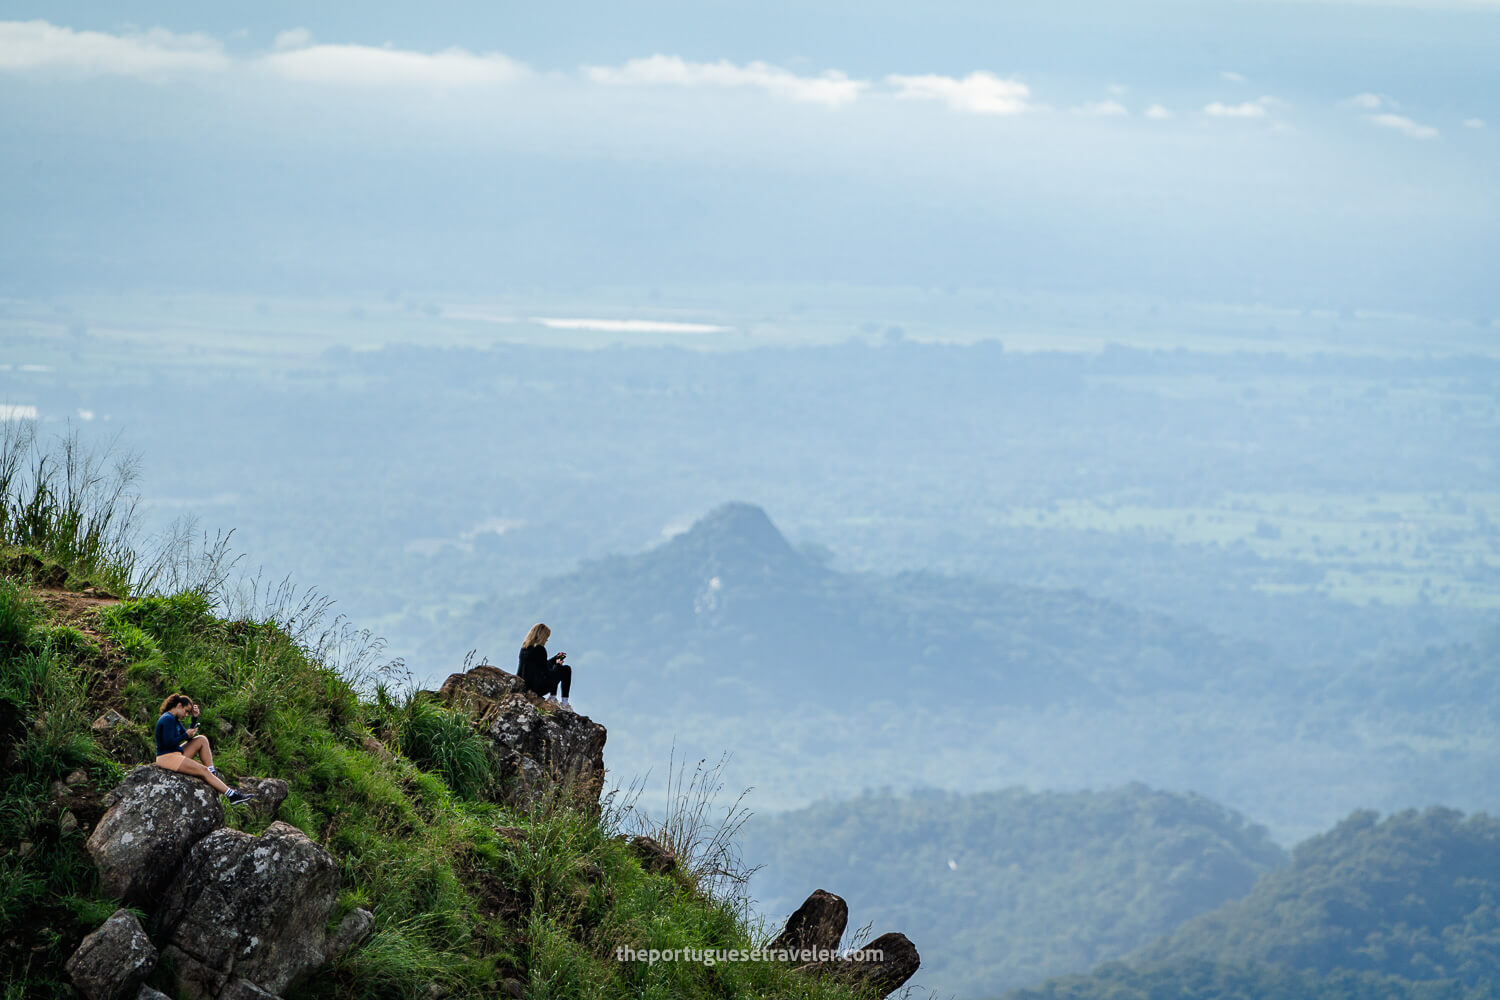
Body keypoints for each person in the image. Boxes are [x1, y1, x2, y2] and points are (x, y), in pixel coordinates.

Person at [153, 694, 255, 804]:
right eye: (186, 711)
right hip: (167, 756)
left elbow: (187, 735)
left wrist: (194, 718)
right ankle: (232, 795)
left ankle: (211, 771)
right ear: (179, 705)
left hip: (175, 753)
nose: (186, 715)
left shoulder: (174, 719)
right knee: (203, 771)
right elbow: (168, 742)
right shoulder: (167, 719)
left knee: (201, 739)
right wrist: (185, 736)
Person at [517, 623, 572, 709]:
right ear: (542, 636)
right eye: (546, 637)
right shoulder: (540, 649)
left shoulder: (524, 648)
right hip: (539, 688)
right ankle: (564, 702)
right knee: (566, 669)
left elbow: (540, 665)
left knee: (555, 668)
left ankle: (553, 698)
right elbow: (547, 672)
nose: (547, 640)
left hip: (528, 686)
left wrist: (555, 659)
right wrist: (558, 665)